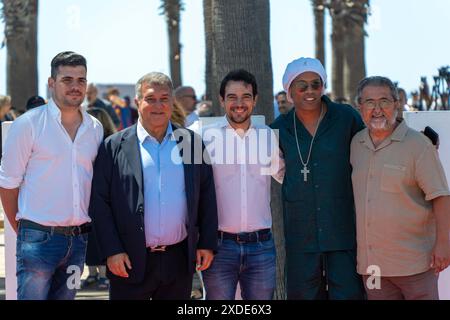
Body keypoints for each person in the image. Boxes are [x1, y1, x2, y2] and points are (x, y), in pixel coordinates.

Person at [88, 72, 218, 300]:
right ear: (138, 102)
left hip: (177, 262)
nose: (158, 105)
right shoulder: (113, 147)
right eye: (150, 98)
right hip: (127, 261)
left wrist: (206, 243)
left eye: (164, 98)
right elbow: (100, 202)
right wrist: (112, 251)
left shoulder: (190, 142)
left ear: (171, 103)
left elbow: (206, 194)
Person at [0, 51, 104, 300]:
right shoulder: (28, 125)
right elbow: (8, 184)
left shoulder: (95, 128)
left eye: (81, 80)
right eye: (67, 79)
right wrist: (26, 229)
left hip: (78, 240)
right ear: (51, 83)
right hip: (37, 239)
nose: (75, 86)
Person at [270, 57, 366, 300]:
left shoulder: (346, 117)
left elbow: (372, 147)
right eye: (301, 86)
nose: (310, 91)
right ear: (289, 90)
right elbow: (279, 172)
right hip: (301, 236)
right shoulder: (278, 128)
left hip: (342, 231)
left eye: (316, 84)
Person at [351, 76, 450, 300]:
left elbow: (441, 196)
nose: (377, 109)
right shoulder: (355, 144)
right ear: (360, 107)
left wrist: (444, 244)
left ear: (397, 104)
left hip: (415, 264)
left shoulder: (419, 145)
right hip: (373, 267)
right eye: (369, 102)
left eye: (384, 101)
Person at [201, 69, 284, 300]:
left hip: (261, 247)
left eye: (246, 96)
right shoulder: (204, 138)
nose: (239, 103)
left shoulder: (267, 136)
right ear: (221, 100)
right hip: (218, 247)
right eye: (232, 97)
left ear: (255, 99)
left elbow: (284, 176)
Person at [82, 107, 117, 290]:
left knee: (99, 235)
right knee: (89, 237)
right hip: (85, 196)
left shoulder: (109, 144)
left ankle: (103, 274)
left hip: (102, 196)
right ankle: (94, 274)